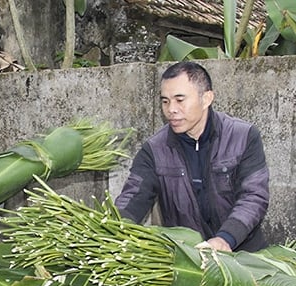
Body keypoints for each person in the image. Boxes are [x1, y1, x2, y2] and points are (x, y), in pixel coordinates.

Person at [115, 61, 270, 252]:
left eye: (180, 100)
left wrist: (225, 239)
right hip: (189, 257)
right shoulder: (154, 149)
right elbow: (133, 198)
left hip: (243, 254)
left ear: (206, 99)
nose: (171, 109)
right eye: (165, 101)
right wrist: (114, 229)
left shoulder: (243, 136)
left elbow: (254, 197)